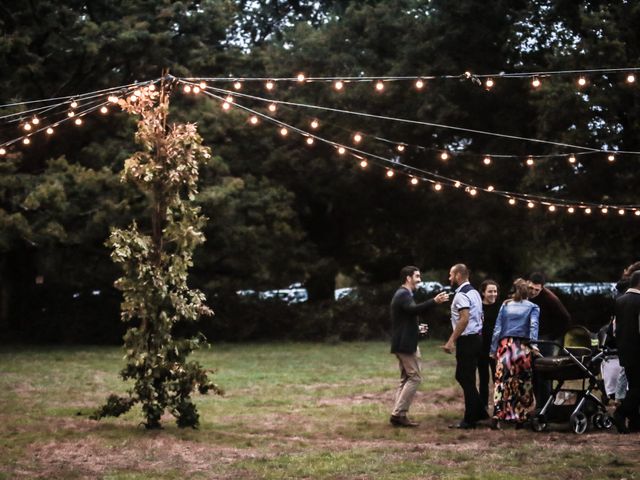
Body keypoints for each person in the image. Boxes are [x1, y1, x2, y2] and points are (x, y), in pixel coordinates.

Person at [389, 266, 449, 427]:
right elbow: (412, 309)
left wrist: (416, 328)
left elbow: (406, 316)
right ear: (408, 278)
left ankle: (399, 414)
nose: (419, 280)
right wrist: (434, 301)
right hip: (405, 344)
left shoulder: (404, 294)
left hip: (403, 341)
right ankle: (397, 414)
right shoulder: (403, 294)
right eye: (417, 276)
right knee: (414, 378)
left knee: (406, 378)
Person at [489, 278, 540, 429]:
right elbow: (533, 326)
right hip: (522, 347)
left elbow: (497, 329)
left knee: (501, 382)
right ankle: (520, 416)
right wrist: (535, 346)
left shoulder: (505, 305)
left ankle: (498, 414)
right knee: (522, 382)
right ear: (527, 292)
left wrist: (493, 349)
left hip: (505, 347)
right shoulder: (533, 307)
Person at [443, 263, 488, 429]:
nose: (449, 278)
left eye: (451, 274)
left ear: (458, 276)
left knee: (465, 377)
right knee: (465, 377)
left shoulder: (461, 295)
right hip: (476, 338)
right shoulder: (475, 292)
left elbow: (464, 319)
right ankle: (480, 413)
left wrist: (451, 340)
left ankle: (471, 419)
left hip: (467, 340)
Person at [527, 272, 571, 408]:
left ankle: (545, 407)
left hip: (544, 339)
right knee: (533, 374)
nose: (533, 292)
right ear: (527, 283)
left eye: (537, 290)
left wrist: (551, 336)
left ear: (542, 288)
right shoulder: (525, 294)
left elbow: (566, 319)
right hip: (530, 337)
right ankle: (539, 405)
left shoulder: (550, 299)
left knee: (544, 374)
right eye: (531, 288)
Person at [612, 270, 640, 433]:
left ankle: (635, 421)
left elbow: (615, 327)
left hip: (624, 349)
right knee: (637, 389)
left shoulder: (619, 301)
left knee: (634, 385)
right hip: (638, 349)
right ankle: (621, 413)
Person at [478, 279, 499, 412]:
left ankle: (499, 407)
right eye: (490, 291)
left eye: (495, 291)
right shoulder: (478, 307)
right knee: (483, 379)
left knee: (497, 379)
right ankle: (483, 407)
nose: (493, 294)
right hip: (481, 348)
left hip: (496, 348)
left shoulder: (502, 307)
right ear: (483, 293)